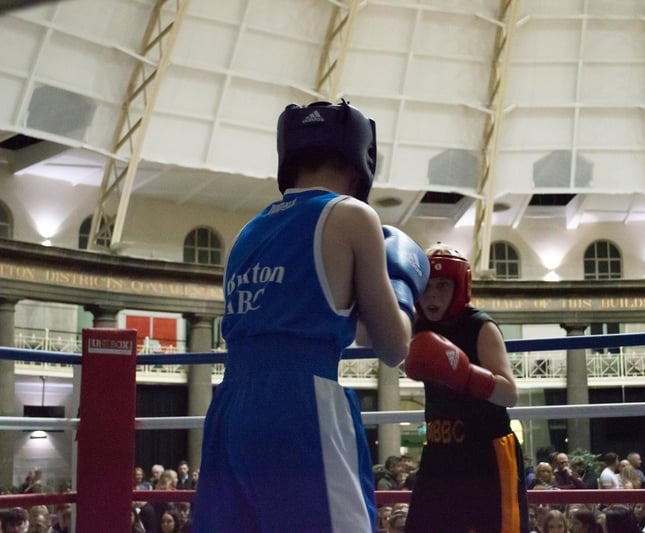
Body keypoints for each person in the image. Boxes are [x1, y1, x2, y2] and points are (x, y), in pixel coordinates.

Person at [192, 99, 429, 532]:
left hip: (231, 409)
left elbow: (324, 316)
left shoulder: (249, 231)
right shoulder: (353, 215)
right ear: (362, 158)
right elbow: (392, 347)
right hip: (302, 405)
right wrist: (404, 291)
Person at [403, 244, 528, 533]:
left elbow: (509, 393)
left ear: (460, 287)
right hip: (439, 451)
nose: (432, 294)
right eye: (427, 286)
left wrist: (466, 375)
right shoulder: (416, 325)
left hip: (487, 452)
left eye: (443, 286)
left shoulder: (480, 327)